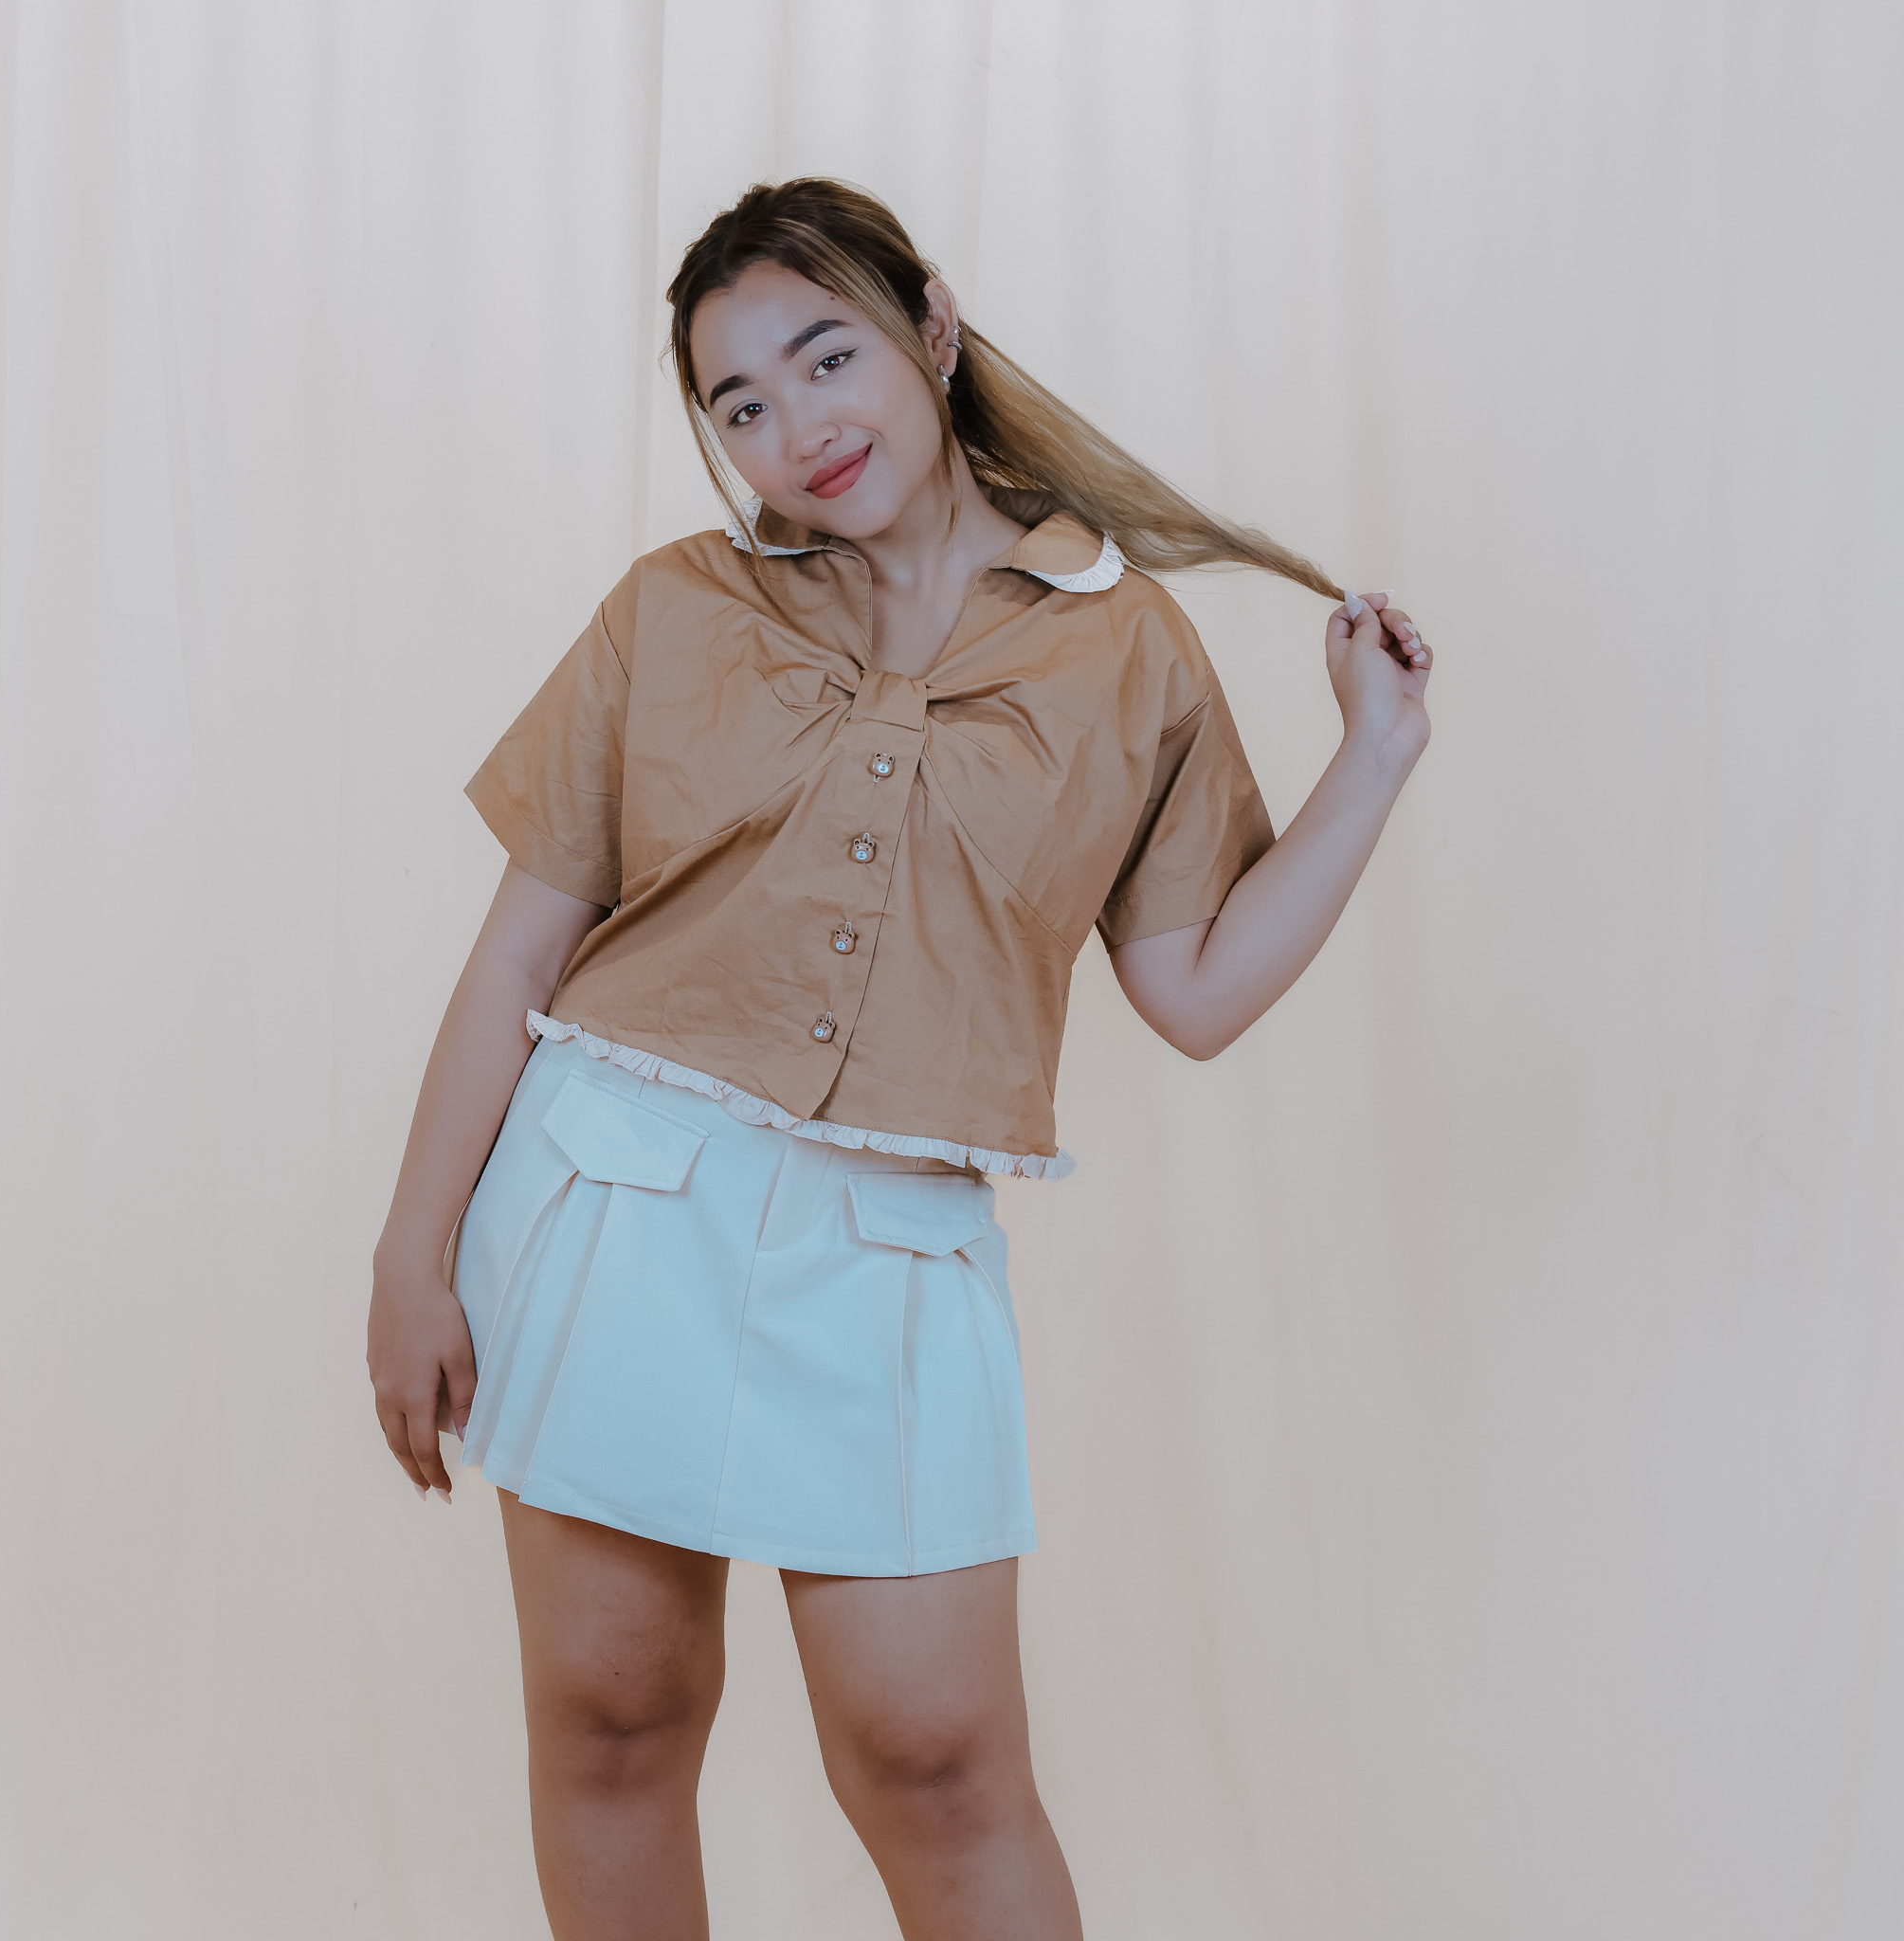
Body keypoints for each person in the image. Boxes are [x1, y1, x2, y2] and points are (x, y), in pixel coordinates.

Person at [366, 176, 1432, 1941]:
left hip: (894, 1250)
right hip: (616, 1202)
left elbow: (1195, 989)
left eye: (826, 356)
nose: (797, 427)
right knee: (615, 1717)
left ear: (931, 329)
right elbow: (518, 957)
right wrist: (412, 1258)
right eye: (739, 404)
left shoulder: (1124, 650)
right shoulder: (674, 608)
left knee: (937, 1766)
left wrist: (1374, 757)